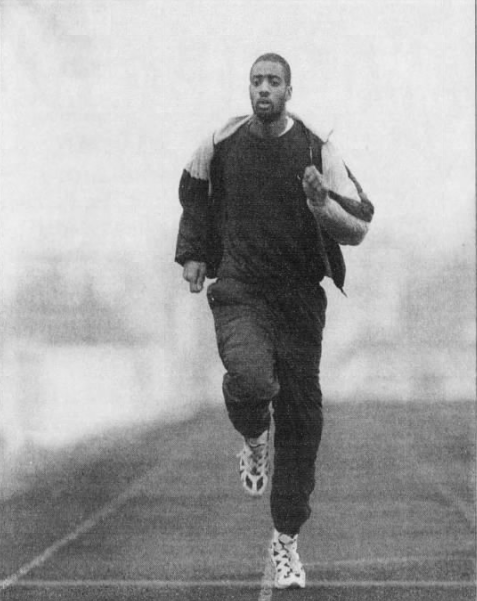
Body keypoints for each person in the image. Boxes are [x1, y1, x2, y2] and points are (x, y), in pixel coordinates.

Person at [175, 53, 374, 589]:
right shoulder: (221, 142)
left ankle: (286, 540)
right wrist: (192, 252)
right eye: (256, 82)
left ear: (289, 90)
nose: (263, 90)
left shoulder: (316, 148)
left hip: (299, 303)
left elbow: (358, 223)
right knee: (251, 378)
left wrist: (320, 205)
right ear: (249, 89)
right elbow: (194, 190)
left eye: (273, 82)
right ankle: (253, 436)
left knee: (303, 419)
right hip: (240, 291)